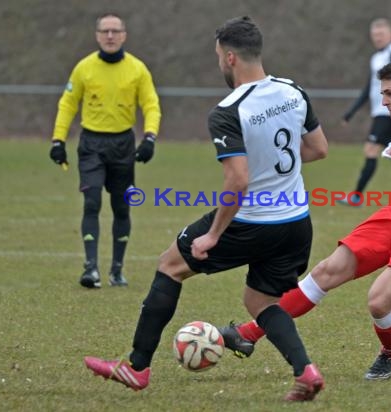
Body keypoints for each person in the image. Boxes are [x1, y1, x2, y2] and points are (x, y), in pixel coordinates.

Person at [83, 16, 328, 401]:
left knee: (170, 265)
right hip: (296, 221)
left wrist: (213, 235)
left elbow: (238, 181)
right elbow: (318, 149)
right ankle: (306, 371)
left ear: (230, 58)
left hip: (251, 221)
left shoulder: (228, 110)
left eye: (218, 57)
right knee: (260, 301)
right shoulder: (293, 91)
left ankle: (136, 368)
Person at [220, 59, 391, 381]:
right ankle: (247, 334)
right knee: (327, 270)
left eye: (389, 93)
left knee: (379, 302)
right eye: (381, 94)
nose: (383, 101)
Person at [49, 13, 161, 288]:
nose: (110, 36)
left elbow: (151, 105)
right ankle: (90, 269)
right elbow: (68, 104)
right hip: (91, 144)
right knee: (92, 202)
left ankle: (116, 270)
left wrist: (149, 138)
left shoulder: (137, 69)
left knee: (121, 208)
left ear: (124, 35)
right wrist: (58, 140)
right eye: (105, 31)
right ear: (97, 35)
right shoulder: (84, 68)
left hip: (123, 145)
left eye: (115, 31)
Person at [339, 18, 391, 206]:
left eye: (381, 34)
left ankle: (356, 197)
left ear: (390, 34)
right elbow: (368, 87)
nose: (377, 38)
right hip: (379, 111)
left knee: (371, 149)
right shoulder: (375, 58)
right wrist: (351, 112)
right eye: (375, 35)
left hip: (388, 112)